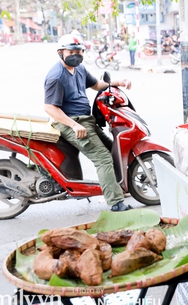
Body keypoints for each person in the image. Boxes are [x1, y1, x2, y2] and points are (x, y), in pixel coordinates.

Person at [44, 34, 134, 211]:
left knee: (113, 149)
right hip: (71, 123)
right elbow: (49, 108)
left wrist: (118, 82)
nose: (76, 55)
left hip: (86, 120)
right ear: (60, 52)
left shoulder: (79, 69)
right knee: (103, 158)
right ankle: (115, 202)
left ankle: (118, 187)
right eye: (71, 51)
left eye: (79, 51)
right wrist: (74, 125)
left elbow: (95, 85)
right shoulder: (56, 76)